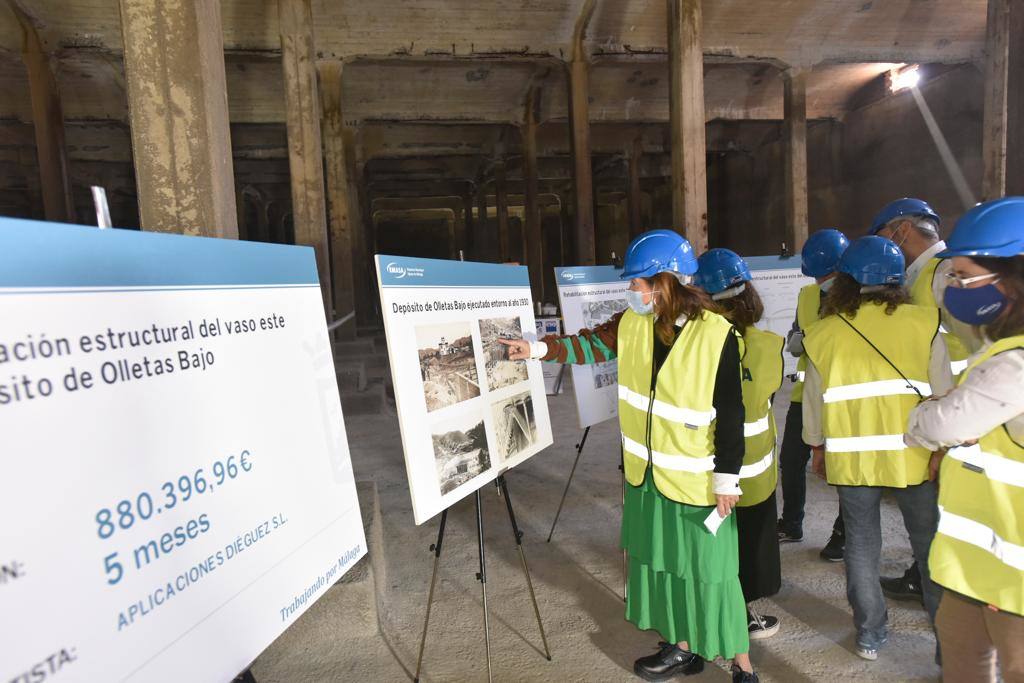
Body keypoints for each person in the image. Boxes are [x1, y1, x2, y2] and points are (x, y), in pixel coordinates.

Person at [500, 229, 759, 682]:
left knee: (711, 572)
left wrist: (726, 480)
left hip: (697, 483)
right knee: (661, 564)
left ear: (665, 281)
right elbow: (589, 345)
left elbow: (732, 415)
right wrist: (538, 349)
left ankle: (741, 662)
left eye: (637, 283)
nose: (631, 291)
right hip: (645, 477)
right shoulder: (631, 323)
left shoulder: (718, 335)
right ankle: (681, 646)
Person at [801, 235, 953, 661]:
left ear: (847, 281)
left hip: (853, 463)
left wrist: (816, 446)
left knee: (863, 547)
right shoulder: (924, 322)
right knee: (930, 550)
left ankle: (870, 634)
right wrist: (941, 449)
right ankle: (948, 647)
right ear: (896, 280)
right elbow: (944, 394)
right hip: (917, 458)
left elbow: (814, 400)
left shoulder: (823, 334)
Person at [904, 197, 1024, 682]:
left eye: (964, 277)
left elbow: (939, 426)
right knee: (962, 657)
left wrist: (924, 414)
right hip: (973, 571)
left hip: (1013, 586)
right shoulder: (1001, 352)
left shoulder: (1014, 366)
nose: (952, 288)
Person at [869, 197, 984, 602]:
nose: (885, 246)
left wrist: (958, 415)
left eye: (884, 236)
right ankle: (926, 574)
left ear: (901, 230)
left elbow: (977, 347)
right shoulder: (923, 274)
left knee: (948, 506)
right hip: (948, 407)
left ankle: (949, 586)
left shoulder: (941, 274)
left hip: (960, 411)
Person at [694, 249, 783, 640]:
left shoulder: (704, 345)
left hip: (714, 467)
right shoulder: (768, 344)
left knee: (718, 548)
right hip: (757, 469)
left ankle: (725, 615)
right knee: (749, 544)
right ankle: (741, 610)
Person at [776, 228, 849, 562]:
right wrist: (799, 339)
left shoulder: (855, 297)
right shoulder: (807, 295)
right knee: (791, 461)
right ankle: (792, 523)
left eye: (827, 274)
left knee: (844, 469)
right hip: (803, 395)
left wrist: (808, 338)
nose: (822, 280)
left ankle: (843, 534)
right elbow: (795, 337)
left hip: (843, 397)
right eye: (819, 275)